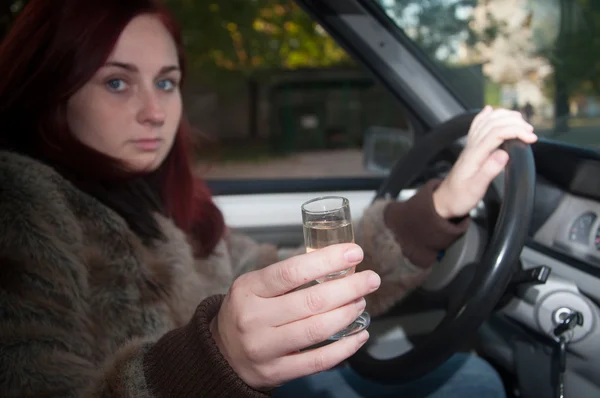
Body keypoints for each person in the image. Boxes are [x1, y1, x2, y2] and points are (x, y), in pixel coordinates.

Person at [0, 0, 537, 397]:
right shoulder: (21, 202)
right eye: (117, 83)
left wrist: (442, 204)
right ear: (54, 86)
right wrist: (216, 360)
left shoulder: (162, 203)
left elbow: (299, 279)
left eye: (167, 83)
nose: (155, 112)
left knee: (476, 376)